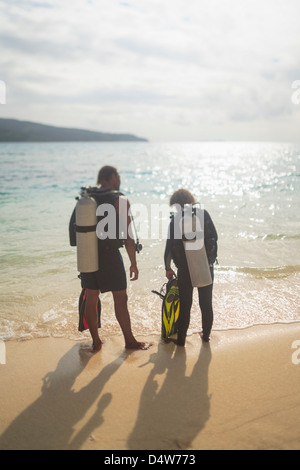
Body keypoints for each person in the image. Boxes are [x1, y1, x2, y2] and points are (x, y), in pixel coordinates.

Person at [78, 166, 150, 352]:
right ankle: (130, 341)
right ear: (110, 177)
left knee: (91, 297)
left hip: (87, 254)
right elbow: (128, 235)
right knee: (120, 298)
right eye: (117, 175)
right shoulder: (119, 198)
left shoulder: (87, 197)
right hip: (109, 255)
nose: (119, 179)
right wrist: (133, 263)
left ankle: (96, 342)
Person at [164, 189, 218, 347]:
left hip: (185, 268)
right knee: (206, 304)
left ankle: (181, 340)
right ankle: (206, 336)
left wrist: (167, 267)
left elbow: (169, 247)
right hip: (205, 266)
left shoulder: (175, 220)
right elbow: (214, 237)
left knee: (185, 305)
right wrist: (210, 261)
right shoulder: (203, 214)